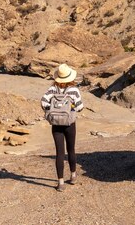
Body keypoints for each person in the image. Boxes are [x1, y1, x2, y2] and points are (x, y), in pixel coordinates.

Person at [41, 63, 84, 192]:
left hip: (56, 125)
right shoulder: (74, 90)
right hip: (69, 123)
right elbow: (80, 107)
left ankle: (60, 182)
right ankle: (73, 175)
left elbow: (43, 102)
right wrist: (71, 108)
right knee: (71, 149)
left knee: (59, 153)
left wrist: (52, 111)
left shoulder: (52, 89)